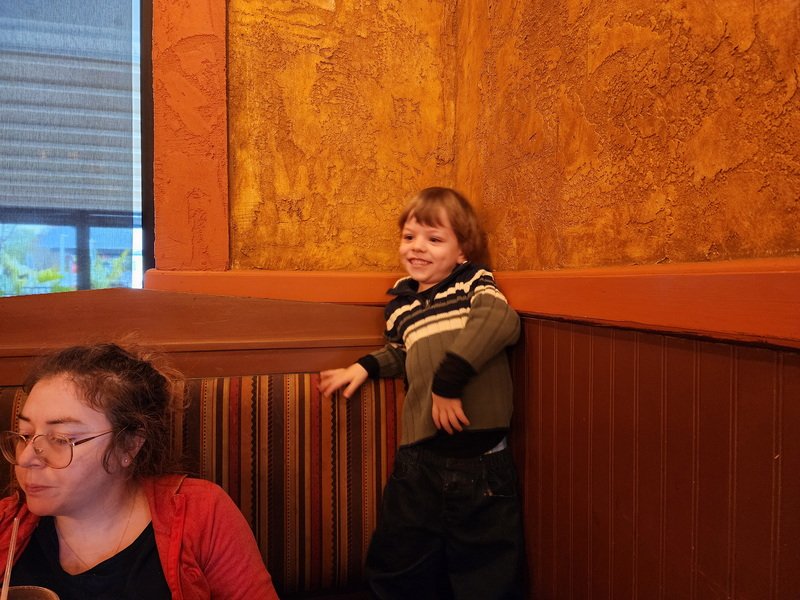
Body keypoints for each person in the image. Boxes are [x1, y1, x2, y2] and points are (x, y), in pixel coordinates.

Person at [319, 186, 525, 599]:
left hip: (481, 461)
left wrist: (447, 384)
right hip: (419, 459)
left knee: (487, 572)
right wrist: (365, 366)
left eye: (434, 239)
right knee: (398, 560)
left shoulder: (474, 283)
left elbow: (501, 321)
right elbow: (403, 351)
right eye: (409, 236)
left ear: (462, 251)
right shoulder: (400, 304)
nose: (417, 247)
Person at [0, 342, 280, 600]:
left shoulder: (200, 512)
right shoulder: (6, 523)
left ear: (129, 445)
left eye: (61, 439)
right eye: (25, 434)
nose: (25, 458)